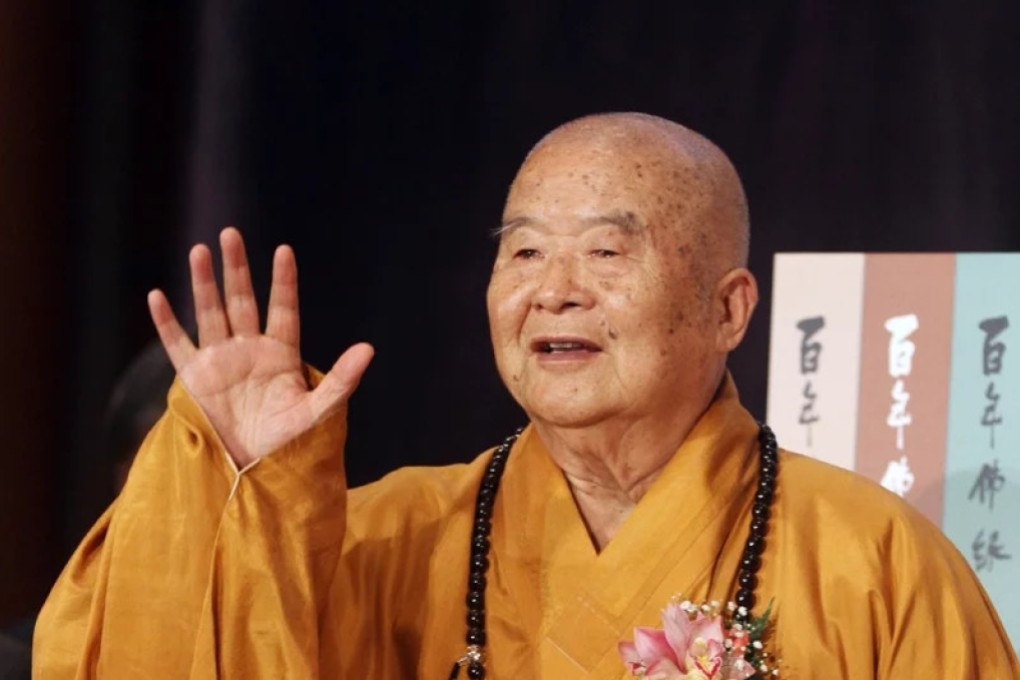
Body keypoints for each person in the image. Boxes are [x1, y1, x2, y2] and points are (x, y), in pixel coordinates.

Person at [34, 114, 1019, 678]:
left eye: (605, 248)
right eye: (524, 250)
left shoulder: (877, 565)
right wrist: (238, 485)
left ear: (729, 308)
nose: (555, 287)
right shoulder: (387, 540)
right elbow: (158, 648)